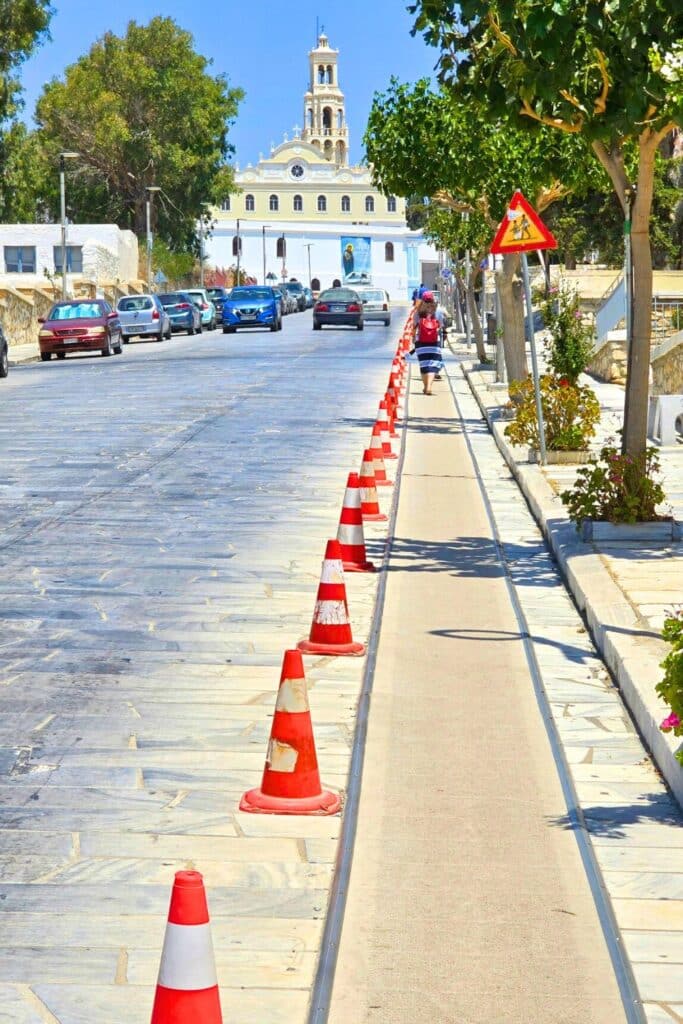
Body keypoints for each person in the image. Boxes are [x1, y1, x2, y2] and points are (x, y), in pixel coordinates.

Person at [411, 291, 443, 395]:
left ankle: (426, 387)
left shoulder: (418, 311)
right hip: (434, 342)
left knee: (424, 365)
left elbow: (414, 326)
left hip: (421, 342)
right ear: (433, 299)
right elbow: (441, 325)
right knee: (432, 365)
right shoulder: (438, 310)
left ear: (422, 299)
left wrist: (413, 338)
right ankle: (429, 386)